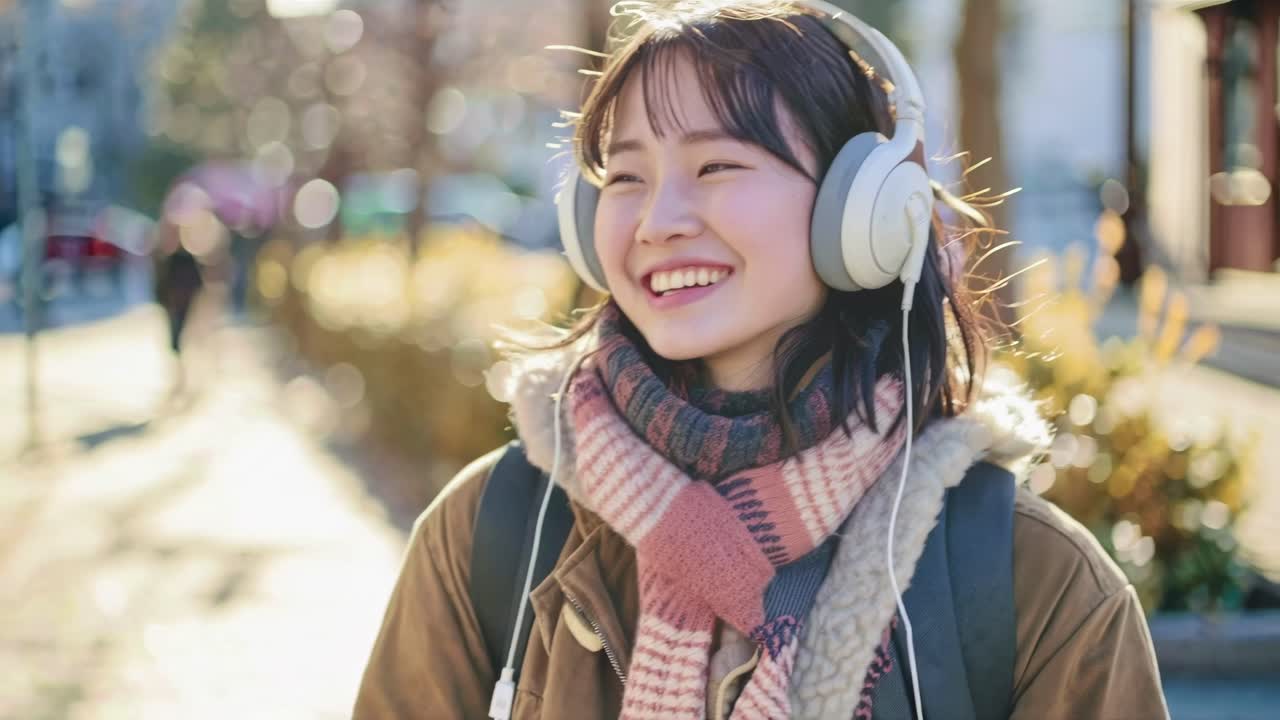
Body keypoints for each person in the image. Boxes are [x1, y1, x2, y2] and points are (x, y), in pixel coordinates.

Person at [354, 1, 1169, 718]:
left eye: (716, 165)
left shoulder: (1032, 581)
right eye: (627, 176)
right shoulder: (497, 530)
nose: (657, 220)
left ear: (864, 211)